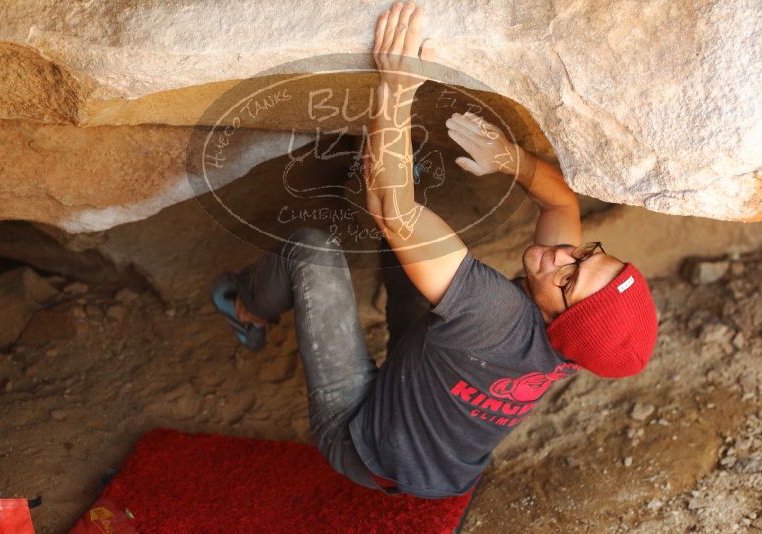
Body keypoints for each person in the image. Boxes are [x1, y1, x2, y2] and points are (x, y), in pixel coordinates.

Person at [213, 0, 658, 498]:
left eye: (569, 278)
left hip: (364, 445)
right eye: (585, 254)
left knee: (315, 250)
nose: (563, 257)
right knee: (413, 249)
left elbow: (392, 208)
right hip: (446, 468)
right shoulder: (570, 337)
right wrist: (509, 158)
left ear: (558, 319)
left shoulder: (496, 313)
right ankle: (377, 182)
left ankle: (247, 307)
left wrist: (396, 89)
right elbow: (560, 202)